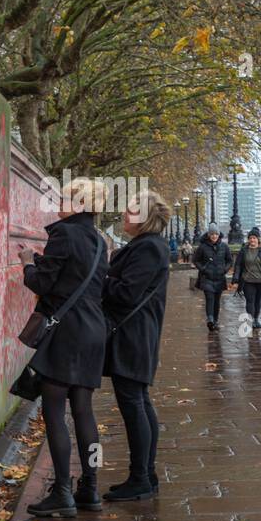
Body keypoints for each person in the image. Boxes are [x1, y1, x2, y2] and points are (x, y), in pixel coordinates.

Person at [17, 177, 109, 518]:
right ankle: (91, 487)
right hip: (94, 330)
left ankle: (62, 492)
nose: (60, 203)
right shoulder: (98, 241)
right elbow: (74, 279)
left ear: (81, 204)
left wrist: (27, 261)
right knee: (83, 410)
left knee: (54, 410)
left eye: (67, 198)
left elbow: (42, 283)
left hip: (67, 332)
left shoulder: (64, 234)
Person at [102, 192, 171, 501]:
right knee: (139, 401)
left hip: (133, 335)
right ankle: (146, 474)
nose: (124, 216)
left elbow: (127, 293)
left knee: (134, 403)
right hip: (137, 333)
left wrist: (98, 276)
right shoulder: (147, 246)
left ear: (145, 218)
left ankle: (140, 477)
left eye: (131, 212)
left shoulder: (148, 249)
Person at [230, 228, 261, 329]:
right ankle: (251, 320)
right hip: (247, 280)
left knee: (257, 301)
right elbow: (238, 265)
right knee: (250, 301)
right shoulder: (243, 251)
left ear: (258, 239)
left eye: (254, 238)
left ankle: (256, 319)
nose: (252, 240)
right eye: (250, 238)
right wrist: (236, 277)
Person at [192, 224, 232, 331]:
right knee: (210, 298)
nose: (214, 236)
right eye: (212, 234)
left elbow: (229, 260)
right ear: (209, 235)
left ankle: (215, 320)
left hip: (219, 277)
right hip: (207, 277)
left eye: (216, 234)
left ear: (219, 235)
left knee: (217, 300)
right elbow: (195, 260)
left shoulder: (224, 247)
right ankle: (210, 319)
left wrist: (224, 270)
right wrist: (203, 269)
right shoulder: (202, 247)